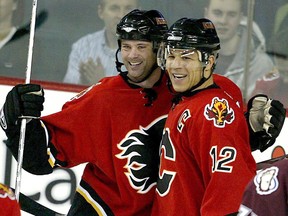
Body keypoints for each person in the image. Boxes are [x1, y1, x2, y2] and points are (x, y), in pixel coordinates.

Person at [0, 9, 285, 215]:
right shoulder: (103, 99)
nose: (132, 55)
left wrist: (251, 128)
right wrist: (15, 122)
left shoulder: (195, 90)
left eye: (141, 46)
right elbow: (40, 158)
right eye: (126, 46)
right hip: (105, 210)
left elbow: (212, 148)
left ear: (160, 48)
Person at [151, 17, 258, 215]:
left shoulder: (213, 112)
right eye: (171, 56)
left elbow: (228, 192)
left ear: (208, 62)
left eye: (186, 58)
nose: (175, 65)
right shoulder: (186, 98)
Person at [204, 0, 275, 99]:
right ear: (206, 14)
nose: (223, 21)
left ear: (241, 17)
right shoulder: (190, 58)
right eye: (217, 13)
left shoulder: (261, 64)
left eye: (231, 14)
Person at [63, 0, 138, 85]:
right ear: (101, 12)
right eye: (114, 8)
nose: (121, 15)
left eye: (128, 8)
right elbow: (68, 95)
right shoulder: (82, 47)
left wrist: (100, 84)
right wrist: (82, 84)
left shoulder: (148, 51)